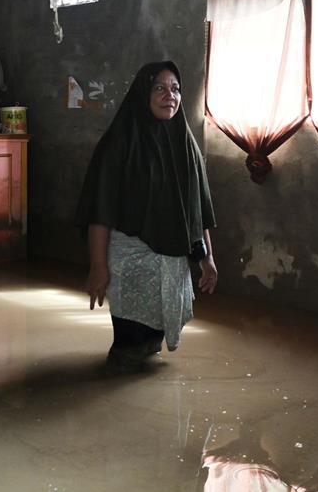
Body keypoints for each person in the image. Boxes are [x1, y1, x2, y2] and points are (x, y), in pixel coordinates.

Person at [74, 61, 217, 368]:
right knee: (128, 346)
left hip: (172, 259)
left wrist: (208, 259)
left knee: (151, 345)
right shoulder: (120, 142)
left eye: (176, 89)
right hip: (130, 259)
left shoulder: (186, 145)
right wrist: (98, 266)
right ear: (143, 93)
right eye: (160, 88)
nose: (170, 96)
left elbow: (199, 209)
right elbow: (101, 210)